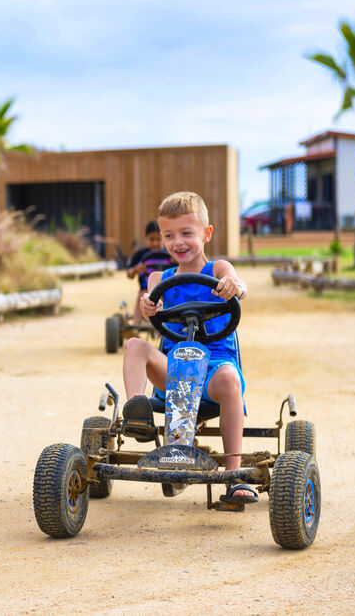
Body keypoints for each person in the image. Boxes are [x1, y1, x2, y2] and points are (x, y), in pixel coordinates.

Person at [121, 191, 254, 503]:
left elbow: (239, 283)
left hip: (214, 368)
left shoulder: (218, 270)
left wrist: (235, 287)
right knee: (134, 345)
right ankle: (137, 413)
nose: (177, 242)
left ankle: (234, 475)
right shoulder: (160, 276)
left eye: (186, 233)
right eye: (168, 235)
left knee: (230, 380)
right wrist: (148, 305)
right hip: (174, 369)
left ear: (206, 233)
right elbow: (150, 297)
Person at [125, 221, 174, 324]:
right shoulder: (140, 254)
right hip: (146, 290)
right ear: (146, 238)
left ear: (164, 238)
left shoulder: (171, 253)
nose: (155, 243)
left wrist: (176, 261)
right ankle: (136, 325)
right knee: (141, 297)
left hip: (166, 288)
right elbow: (129, 274)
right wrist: (135, 270)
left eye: (158, 239)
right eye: (152, 239)